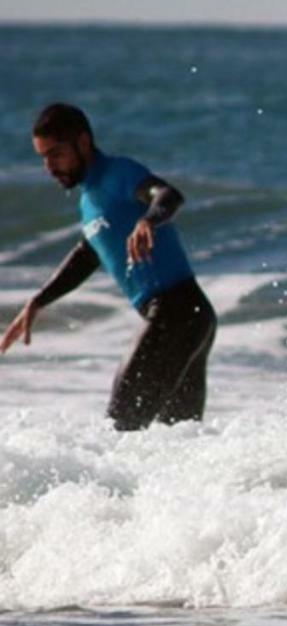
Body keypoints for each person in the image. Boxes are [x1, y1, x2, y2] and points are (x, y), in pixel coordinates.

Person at [1, 103, 216, 431]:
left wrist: (148, 220)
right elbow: (90, 252)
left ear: (83, 142)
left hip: (175, 311)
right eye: (43, 157)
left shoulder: (119, 173)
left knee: (121, 430)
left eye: (56, 154)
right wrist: (39, 301)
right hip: (191, 318)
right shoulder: (89, 200)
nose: (49, 166)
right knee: (175, 442)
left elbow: (167, 195)